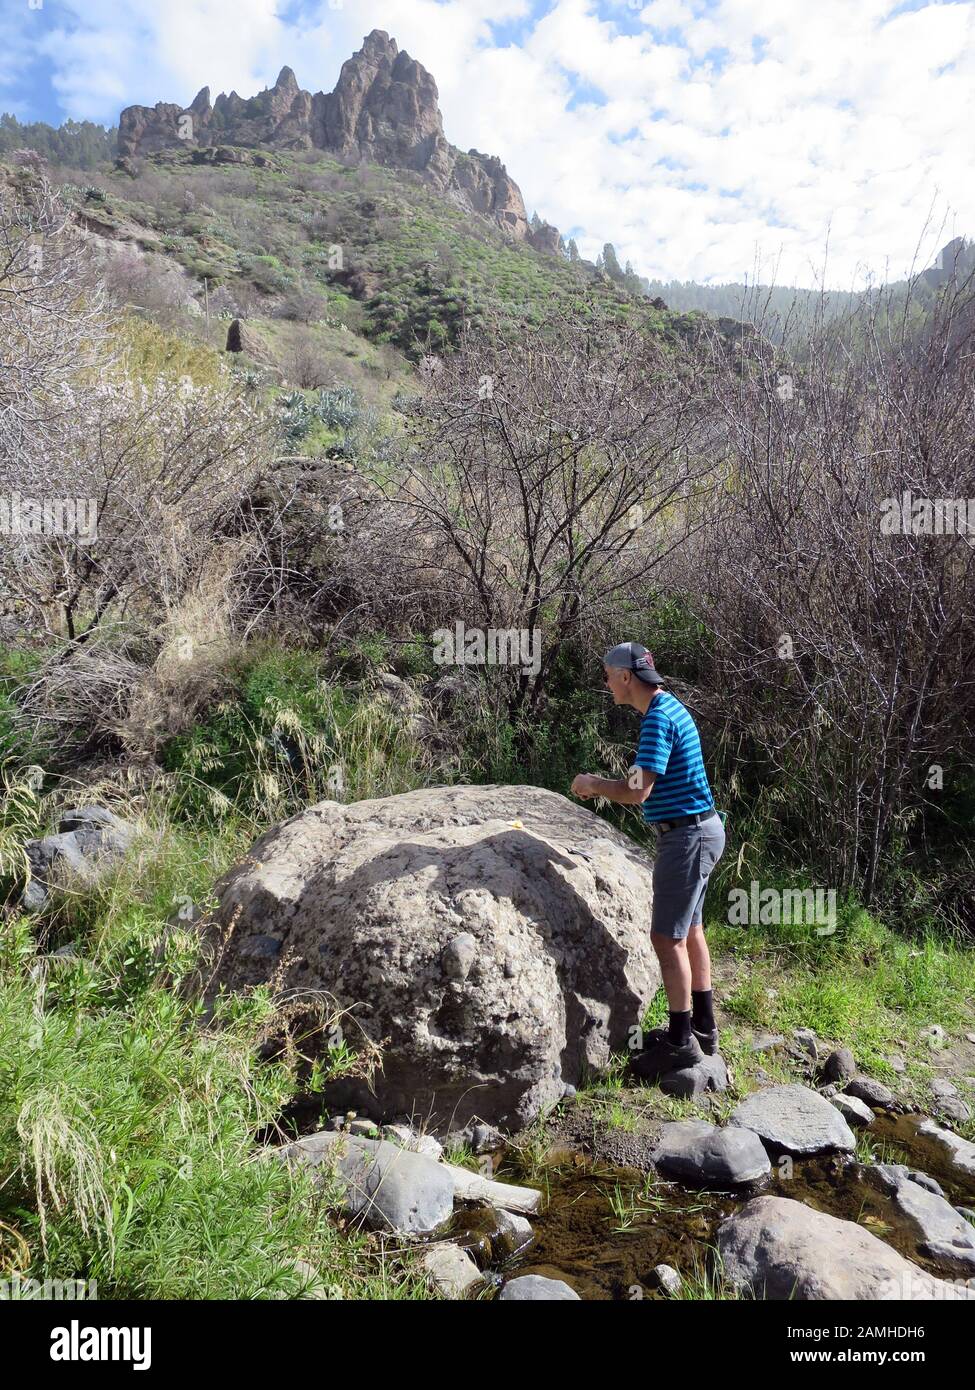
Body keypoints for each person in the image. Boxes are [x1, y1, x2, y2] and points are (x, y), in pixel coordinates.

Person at [570, 641, 726, 1073]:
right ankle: (702, 1029)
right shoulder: (668, 708)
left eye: (607, 674)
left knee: (667, 938)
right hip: (701, 831)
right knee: (690, 930)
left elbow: (638, 790)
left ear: (626, 677)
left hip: (687, 837)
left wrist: (593, 784)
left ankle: (680, 1042)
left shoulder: (657, 719)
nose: (606, 683)